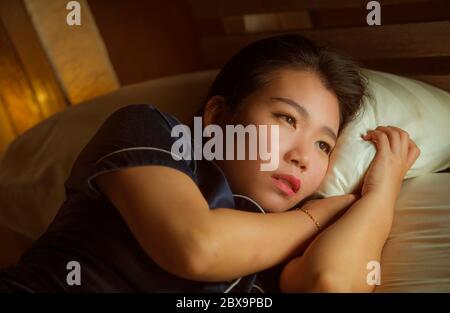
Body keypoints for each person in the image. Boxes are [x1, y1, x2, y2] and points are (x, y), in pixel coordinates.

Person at [0, 34, 420, 292]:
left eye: (325, 145)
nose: (302, 157)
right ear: (219, 116)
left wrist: (380, 193)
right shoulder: (152, 133)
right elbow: (196, 246)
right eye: (286, 118)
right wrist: (316, 215)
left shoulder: (294, 248)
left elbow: (329, 285)